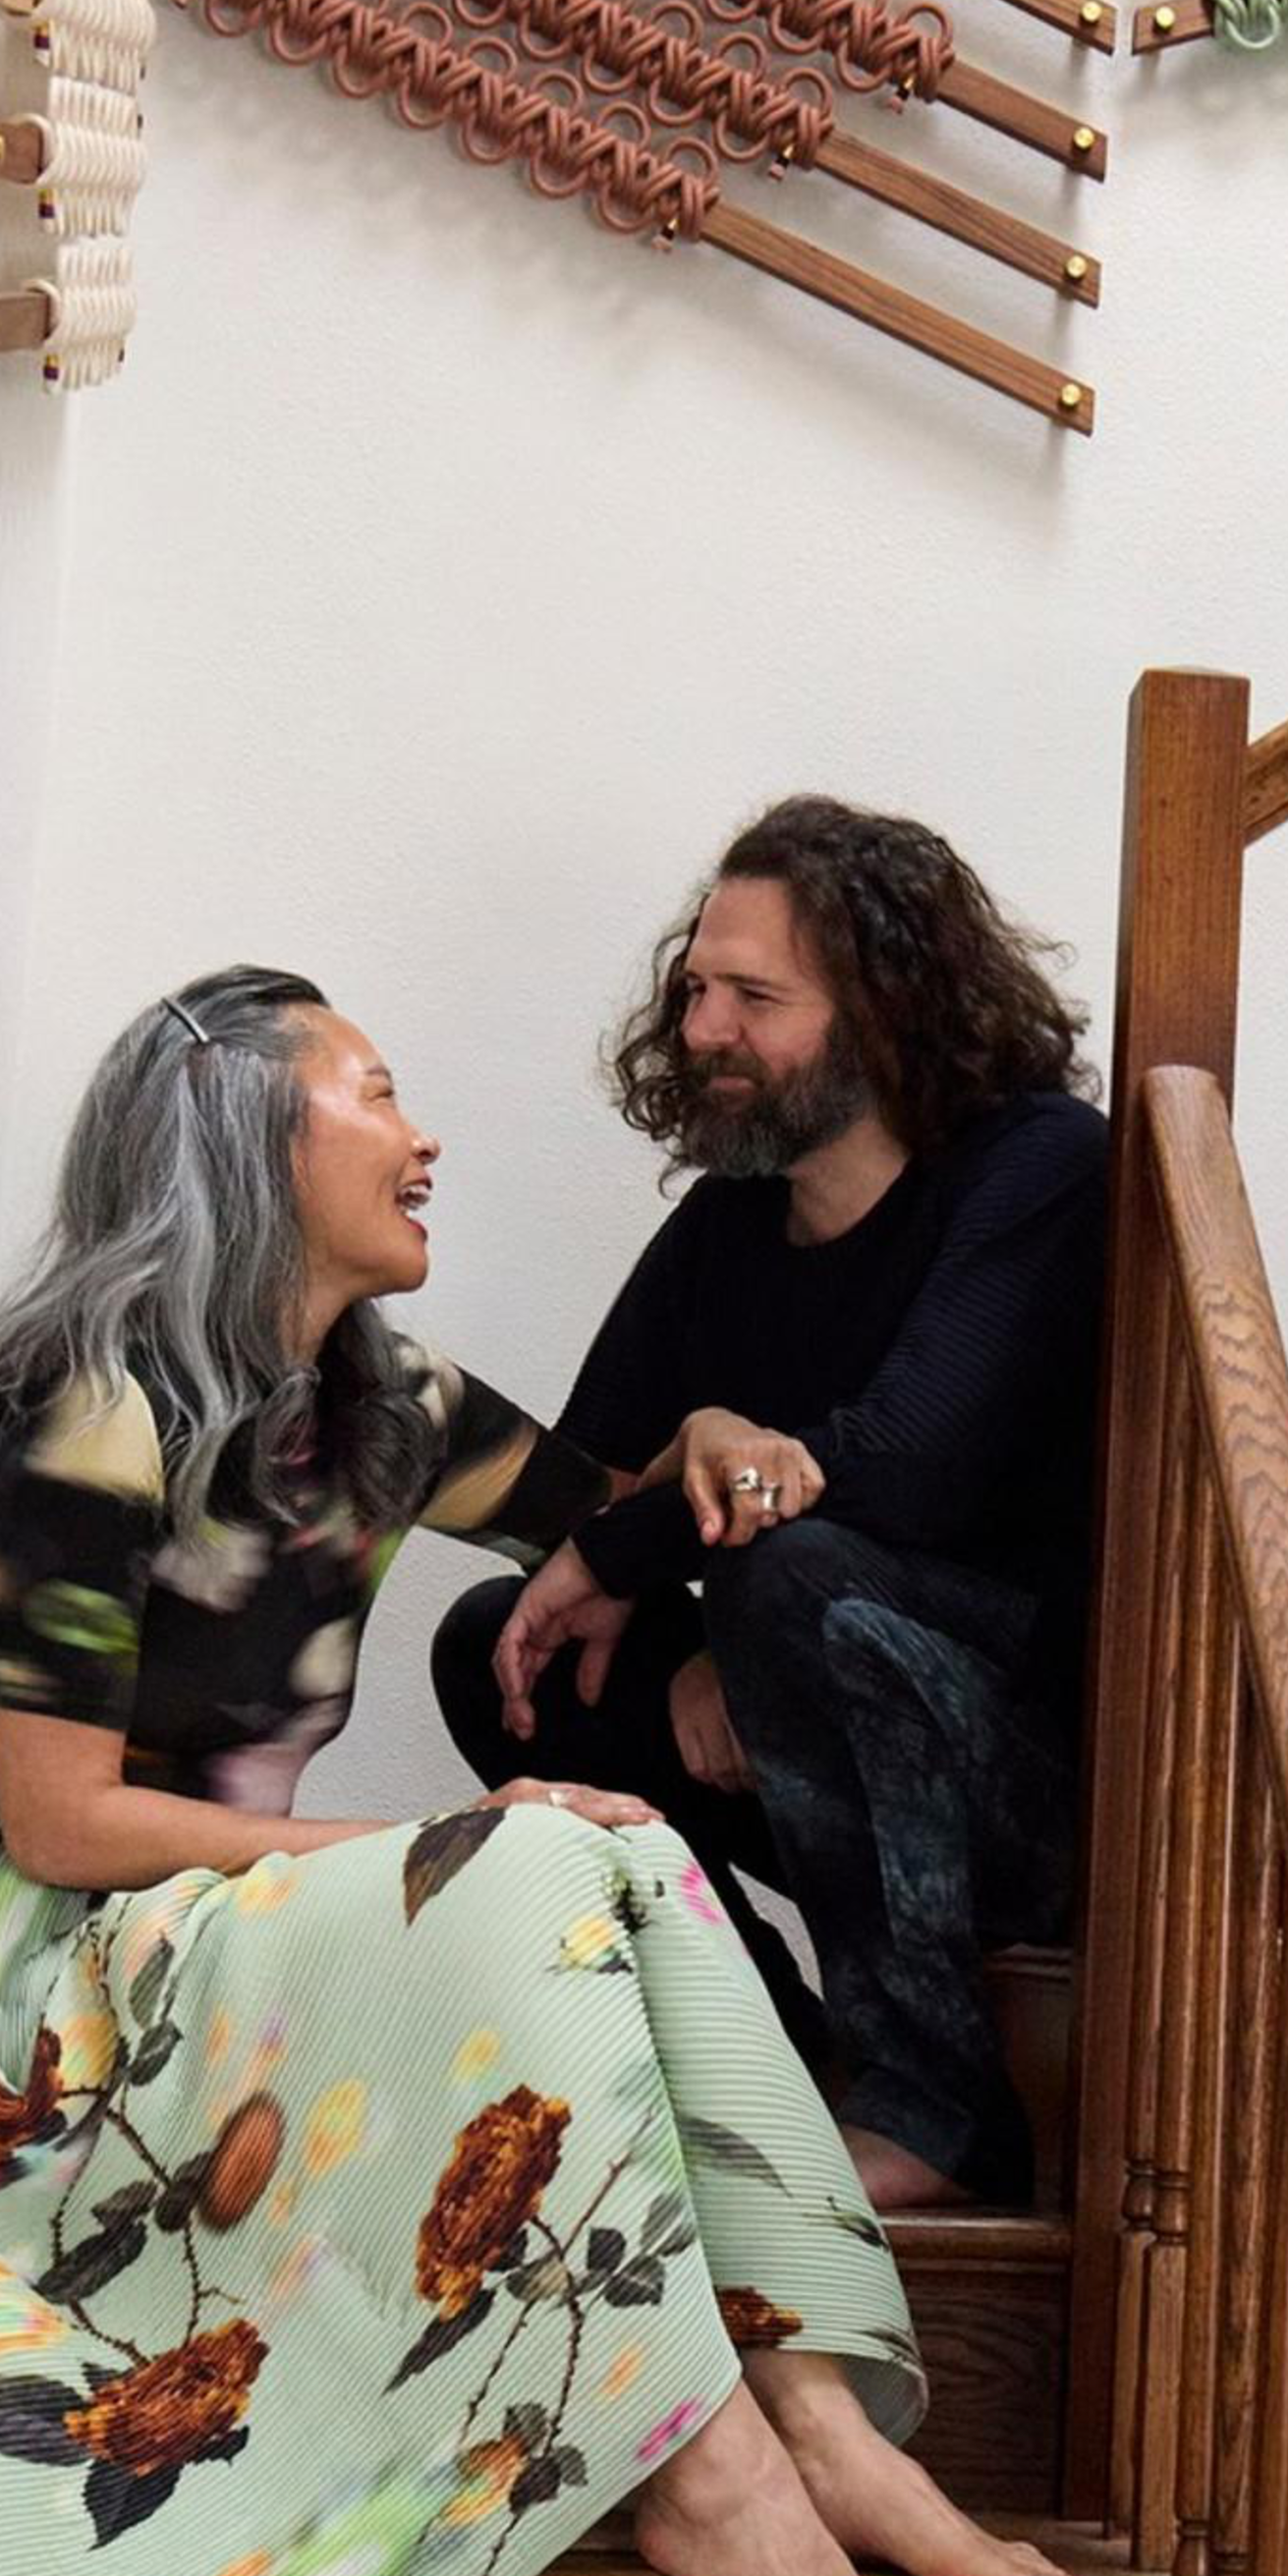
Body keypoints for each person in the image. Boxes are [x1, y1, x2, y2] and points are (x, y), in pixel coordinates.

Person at [0, 966, 1064, 2576]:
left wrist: (716, 1443)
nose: (425, 1138)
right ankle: (712, 2477)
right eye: (379, 1094)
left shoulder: (380, 1399)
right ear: (257, 1138)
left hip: (219, 1930)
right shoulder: (94, 1409)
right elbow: (67, 1822)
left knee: (611, 1848)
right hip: (38, 1959)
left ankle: (806, 2405)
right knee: (531, 1864)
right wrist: (426, 1850)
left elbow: (605, 1510)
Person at [432, 803, 1106, 2221]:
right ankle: (778, 2061)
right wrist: (687, 1470)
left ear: (885, 1008)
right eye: (695, 989)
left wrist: (693, 1577)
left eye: (755, 997)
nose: (704, 1029)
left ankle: (944, 2103)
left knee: (786, 1576)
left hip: (1021, 1765)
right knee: (502, 1647)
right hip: (805, 1681)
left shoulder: (1037, 1165)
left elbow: (909, 1463)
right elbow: (590, 1493)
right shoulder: (730, 1223)